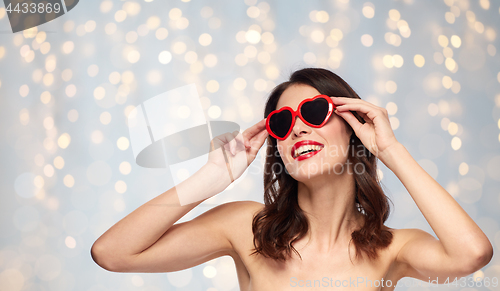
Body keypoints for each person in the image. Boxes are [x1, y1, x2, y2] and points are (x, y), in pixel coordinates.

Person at [91, 68, 493, 290]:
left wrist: (390, 151)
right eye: (283, 123)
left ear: (354, 127)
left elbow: (471, 255)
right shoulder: (247, 228)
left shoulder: (392, 249)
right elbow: (112, 253)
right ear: (279, 147)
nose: (298, 129)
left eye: (314, 113)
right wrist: (209, 180)